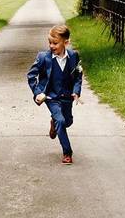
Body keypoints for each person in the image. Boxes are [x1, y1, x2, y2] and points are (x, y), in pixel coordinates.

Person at [26, 24, 83, 164]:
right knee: (61, 120)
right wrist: (37, 92)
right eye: (50, 42)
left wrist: (76, 92)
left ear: (66, 42)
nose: (51, 46)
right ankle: (67, 152)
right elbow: (31, 76)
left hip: (67, 96)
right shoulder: (43, 57)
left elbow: (78, 75)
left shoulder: (73, 56)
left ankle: (54, 123)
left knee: (68, 121)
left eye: (55, 43)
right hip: (50, 97)